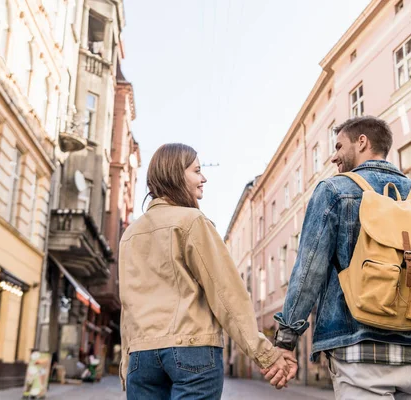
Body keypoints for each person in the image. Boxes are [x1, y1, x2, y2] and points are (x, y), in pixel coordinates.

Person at [268, 116, 411, 399]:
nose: (334, 157)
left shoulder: (334, 191)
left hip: (357, 352)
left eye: (338, 146)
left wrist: (286, 341)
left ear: (362, 142)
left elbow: (308, 272)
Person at [119, 143, 295, 399]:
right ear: (176, 174)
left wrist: (127, 364)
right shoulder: (192, 222)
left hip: (141, 358)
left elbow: (129, 306)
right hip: (192, 352)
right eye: (197, 170)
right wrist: (265, 354)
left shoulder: (130, 234)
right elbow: (227, 294)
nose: (204, 178)